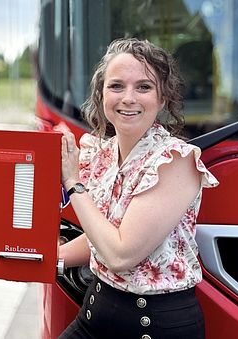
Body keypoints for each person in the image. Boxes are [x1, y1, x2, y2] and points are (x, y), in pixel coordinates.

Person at [56, 38, 219, 339]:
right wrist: (52, 257)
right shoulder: (101, 155)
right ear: (101, 94)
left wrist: (73, 182)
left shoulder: (175, 160)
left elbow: (120, 254)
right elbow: (101, 239)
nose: (128, 98)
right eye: (116, 86)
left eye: (143, 87)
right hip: (95, 314)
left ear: (162, 99)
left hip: (153, 327)